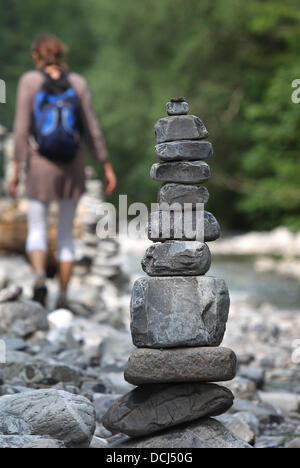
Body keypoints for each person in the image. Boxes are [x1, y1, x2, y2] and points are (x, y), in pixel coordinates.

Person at [8, 34, 117, 308]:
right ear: (61, 54)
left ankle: (39, 279)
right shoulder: (77, 83)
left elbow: (21, 129)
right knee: (67, 232)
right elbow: (92, 128)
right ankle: (64, 297)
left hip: (40, 165)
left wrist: (15, 169)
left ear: (36, 55)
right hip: (73, 165)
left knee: (37, 229)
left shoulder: (29, 81)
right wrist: (105, 164)